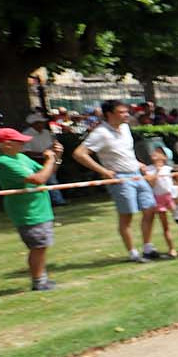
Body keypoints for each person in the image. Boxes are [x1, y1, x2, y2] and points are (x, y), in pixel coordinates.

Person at [73, 100, 163, 260]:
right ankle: (133, 253)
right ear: (110, 114)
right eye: (122, 112)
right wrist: (103, 171)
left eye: (126, 111)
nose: (127, 114)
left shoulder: (126, 127)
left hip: (136, 173)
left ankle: (148, 248)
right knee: (126, 215)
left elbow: (126, 152)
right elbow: (79, 153)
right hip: (120, 178)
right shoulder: (100, 133)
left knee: (150, 210)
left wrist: (138, 163)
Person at [0, 126, 61, 290]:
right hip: (27, 211)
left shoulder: (20, 157)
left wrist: (57, 157)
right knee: (37, 247)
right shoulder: (3, 162)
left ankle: (42, 279)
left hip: (40, 208)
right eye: (19, 141)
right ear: (5, 144)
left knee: (42, 246)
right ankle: (38, 282)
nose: (23, 144)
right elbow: (39, 179)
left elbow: (48, 173)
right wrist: (50, 160)